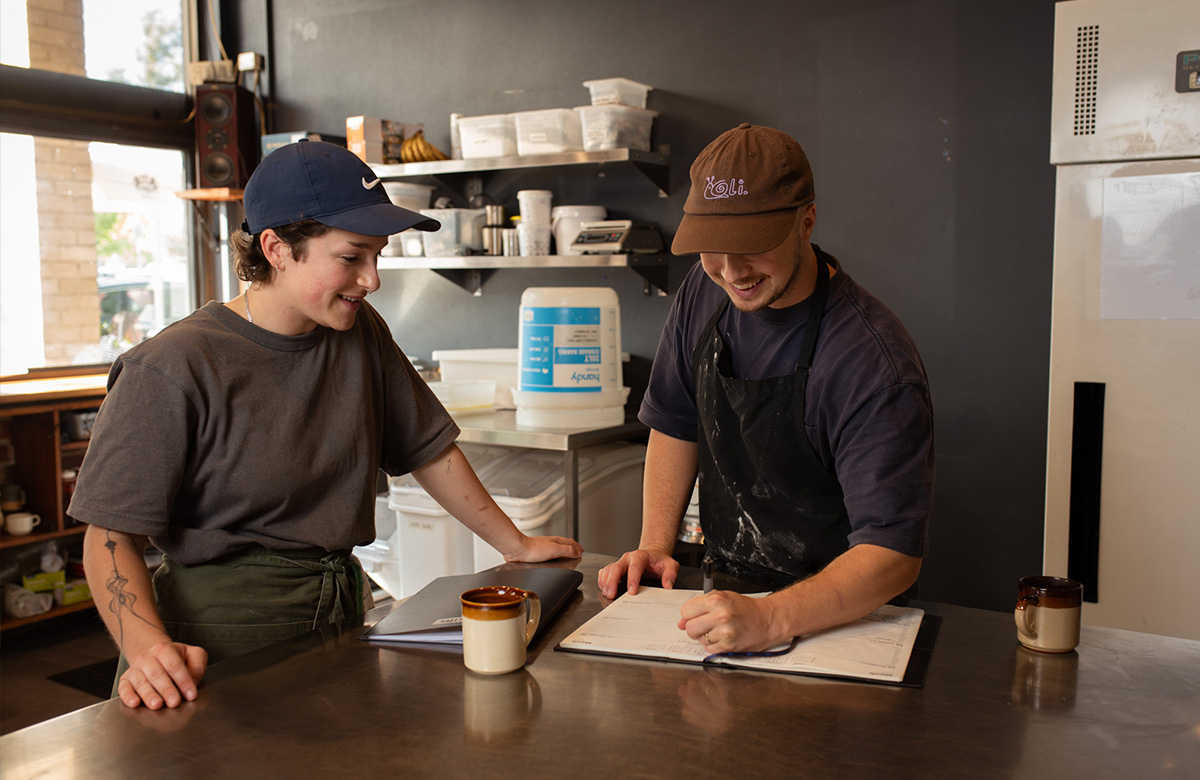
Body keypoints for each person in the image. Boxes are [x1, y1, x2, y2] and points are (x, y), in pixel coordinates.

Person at [72, 140, 583, 710]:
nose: (372, 279)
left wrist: (513, 543)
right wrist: (146, 650)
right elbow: (109, 535)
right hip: (215, 638)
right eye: (351, 256)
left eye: (378, 256)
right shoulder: (171, 366)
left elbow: (427, 450)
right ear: (276, 249)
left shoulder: (360, 333)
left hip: (338, 610)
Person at [598, 124, 934, 653]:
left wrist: (773, 616)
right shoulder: (701, 295)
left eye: (751, 246)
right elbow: (675, 421)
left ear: (807, 221)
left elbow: (893, 552)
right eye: (712, 247)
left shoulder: (871, 361)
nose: (731, 272)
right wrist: (655, 545)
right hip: (726, 601)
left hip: (841, 617)